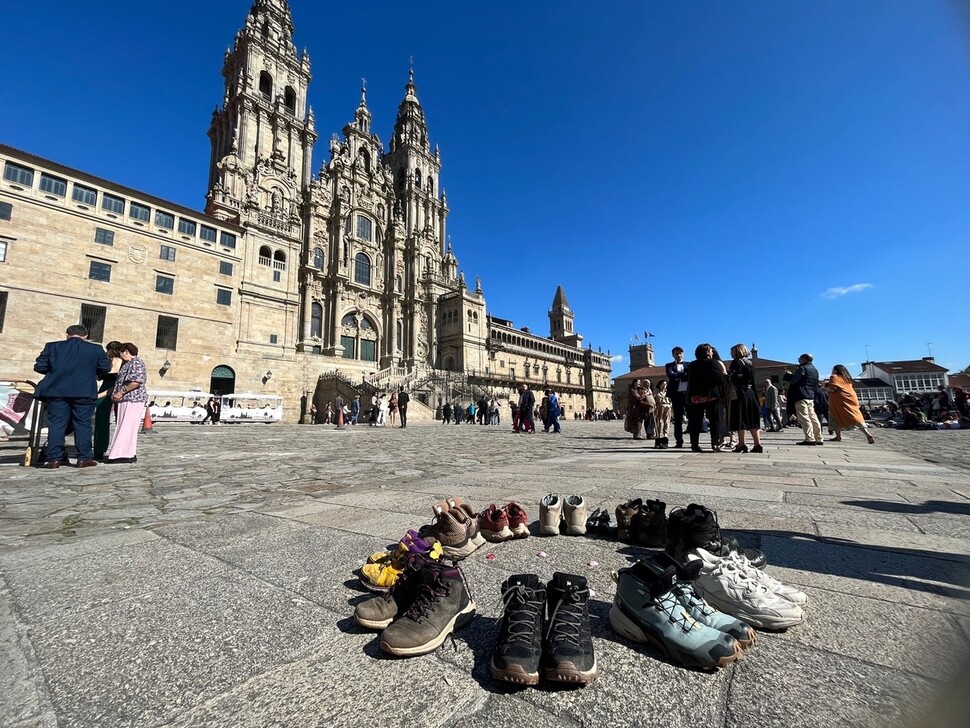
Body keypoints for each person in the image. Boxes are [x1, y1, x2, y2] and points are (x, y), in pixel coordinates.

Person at [32, 324, 112, 468]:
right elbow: (105, 368)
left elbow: (40, 366)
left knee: (56, 425)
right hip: (84, 391)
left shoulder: (52, 347)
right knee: (82, 424)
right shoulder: (95, 349)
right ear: (86, 336)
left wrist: (57, 371)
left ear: (67, 334)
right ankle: (84, 458)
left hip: (57, 391)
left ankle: (54, 459)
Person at [104, 342, 148, 464]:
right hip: (127, 399)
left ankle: (122, 453)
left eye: (121, 354)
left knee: (127, 426)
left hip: (133, 399)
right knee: (124, 426)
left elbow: (136, 381)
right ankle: (124, 452)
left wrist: (121, 392)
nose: (120, 357)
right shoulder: (128, 364)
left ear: (127, 352)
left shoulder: (136, 362)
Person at [686, 343, 726, 453]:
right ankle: (715, 444)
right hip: (711, 395)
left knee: (695, 421)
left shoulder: (692, 365)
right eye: (711, 351)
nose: (712, 352)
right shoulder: (713, 363)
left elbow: (689, 380)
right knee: (714, 420)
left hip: (696, 396)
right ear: (708, 352)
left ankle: (694, 445)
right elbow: (719, 378)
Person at [825, 365, 876, 444]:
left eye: (833, 369)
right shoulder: (847, 377)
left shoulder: (834, 376)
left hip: (838, 400)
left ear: (836, 370)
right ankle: (867, 434)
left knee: (835, 415)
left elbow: (833, 389)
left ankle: (838, 436)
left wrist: (825, 388)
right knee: (854, 415)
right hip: (850, 398)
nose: (832, 371)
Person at [728, 344, 763, 453]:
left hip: (740, 393)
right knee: (753, 419)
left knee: (741, 418)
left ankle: (742, 444)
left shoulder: (736, 362)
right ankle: (757, 444)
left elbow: (733, 377)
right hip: (751, 392)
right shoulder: (750, 363)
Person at [785, 353, 823, 445]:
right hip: (811, 396)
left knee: (804, 417)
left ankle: (809, 439)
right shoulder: (815, 370)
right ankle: (819, 438)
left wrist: (788, 375)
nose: (799, 360)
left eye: (800, 359)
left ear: (804, 359)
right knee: (813, 417)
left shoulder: (802, 368)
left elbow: (795, 380)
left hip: (801, 395)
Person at [93, 341, 123, 460]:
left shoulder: (116, 361)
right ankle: (103, 449)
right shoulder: (108, 361)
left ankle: (101, 449)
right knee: (107, 419)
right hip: (109, 387)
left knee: (103, 419)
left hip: (112, 388)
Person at [665, 346, 689, 448]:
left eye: (680, 353)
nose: (678, 355)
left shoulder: (689, 365)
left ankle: (694, 441)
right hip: (676, 395)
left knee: (692, 418)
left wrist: (678, 375)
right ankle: (679, 441)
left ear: (683, 354)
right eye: (676, 354)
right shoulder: (669, 365)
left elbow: (690, 376)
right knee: (678, 420)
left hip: (688, 394)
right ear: (673, 355)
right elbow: (671, 375)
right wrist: (683, 375)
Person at [654, 380, 672, 448]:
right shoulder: (656, 391)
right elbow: (652, 399)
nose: (664, 386)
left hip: (668, 408)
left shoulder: (668, 392)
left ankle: (665, 437)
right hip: (659, 408)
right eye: (663, 384)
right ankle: (657, 438)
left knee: (667, 422)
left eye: (665, 384)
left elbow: (671, 399)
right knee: (659, 423)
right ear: (660, 385)